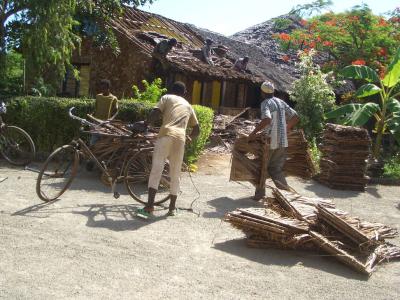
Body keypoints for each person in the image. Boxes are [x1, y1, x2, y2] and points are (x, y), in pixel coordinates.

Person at [139, 81, 200, 217]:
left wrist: (146, 123)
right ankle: (172, 208)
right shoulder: (188, 105)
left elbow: (156, 112)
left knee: (156, 170)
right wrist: (189, 138)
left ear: (172, 90)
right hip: (180, 138)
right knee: (175, 173)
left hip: (166, 134)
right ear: (184, 93)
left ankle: (149, 207)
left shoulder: (166, 97)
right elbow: (197, 129)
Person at [248, 81, 299, 199]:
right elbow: (295, 116)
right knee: (275, 168)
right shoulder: (281, 102)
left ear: (262, 92)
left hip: (270, 141)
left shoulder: (266, 103)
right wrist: (285, 129)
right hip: (282, 140)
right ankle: (286, 195)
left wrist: (253, 134)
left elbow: (267, 119)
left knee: (262, 167)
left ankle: (259, 194)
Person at [89, 79, 118, 145]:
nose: (102, 90)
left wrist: (111, 119)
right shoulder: (98, 96)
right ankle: (92, 153)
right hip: (96, 122)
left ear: (108, 88)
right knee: (93, 141)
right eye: (101, 88)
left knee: (104, 142)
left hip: (106, 123)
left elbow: (117, 111)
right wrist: (91, 115)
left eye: (104, 88)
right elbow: (95, 108)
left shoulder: (113, 98)